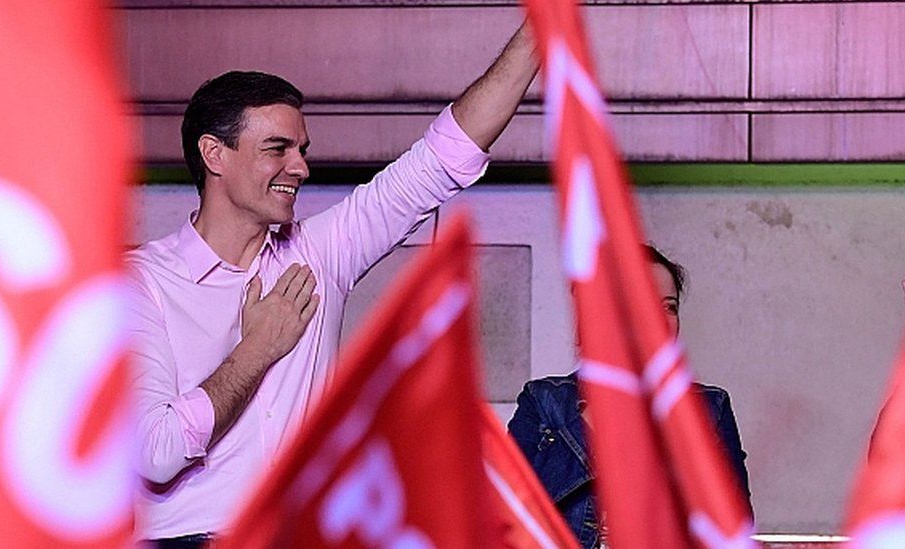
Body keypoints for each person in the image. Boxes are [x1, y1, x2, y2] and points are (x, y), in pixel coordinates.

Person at [126, 23, 538, 546]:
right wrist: (258, 348)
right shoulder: (141, 283)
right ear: (214, 155)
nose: (300, 167)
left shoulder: (320, 253)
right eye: (277, 149)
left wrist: (542, 31)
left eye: (302, 149)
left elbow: (441, 159)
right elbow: (155, 453)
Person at [507, 244, 752, 548]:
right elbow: (511, 513)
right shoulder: (544, 401)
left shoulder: (709, 408)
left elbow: (733, 525)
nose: (660, 319)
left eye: (670, 306)